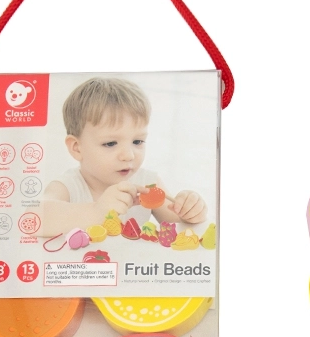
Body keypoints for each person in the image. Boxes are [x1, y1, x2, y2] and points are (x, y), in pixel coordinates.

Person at [41, 77, 207, 236]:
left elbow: (179, 224)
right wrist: (97, 210)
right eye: (110, 143)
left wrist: (190, 211)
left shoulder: (148, 183)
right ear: (77, 148)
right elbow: (36, 217)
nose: (129, 155)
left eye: (137, 141)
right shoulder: (69, 186)